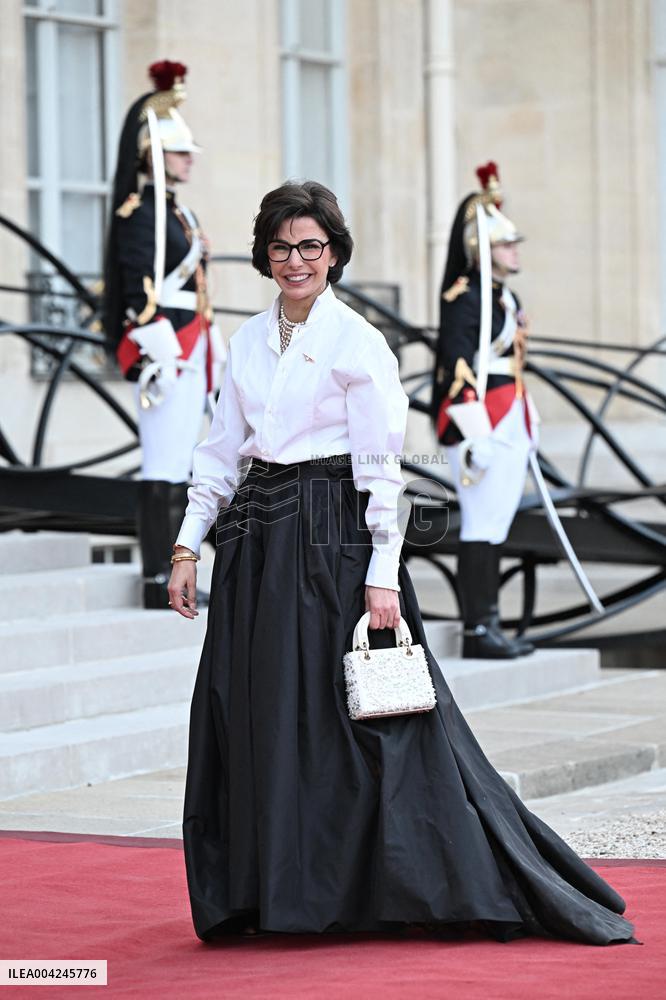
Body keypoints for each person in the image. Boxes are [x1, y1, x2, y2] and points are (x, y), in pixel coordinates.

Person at [168, 180, 633, 945]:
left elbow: (382, 464)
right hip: (255, 540)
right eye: (282, 246)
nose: (295, 260)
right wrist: (188, 543)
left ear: (334, 254)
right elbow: (219, 451)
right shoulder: (245, 339)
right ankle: (265, 890)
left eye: (310, 246)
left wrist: (383, 571)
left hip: (333, 538)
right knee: (256, 712)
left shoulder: (358, 342)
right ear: (265, 253)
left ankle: (353, 891)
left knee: (349, 723)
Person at [103, 60, 224, 608]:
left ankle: (181, 569)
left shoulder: (180, 214)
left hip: (194, 340)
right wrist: (159, 350)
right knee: (163, 464)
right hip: (166, 347)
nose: (187, 161)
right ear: (153, 154)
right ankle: (157, 575)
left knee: (192, 464)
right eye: (178, 153)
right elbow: (135, 288)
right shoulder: (140, 213)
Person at [432, 163, 537, 659]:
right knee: (481, 521)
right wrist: (474, 431)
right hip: (479, 419)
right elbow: (457, 365)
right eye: (505, 244)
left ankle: (489, 621)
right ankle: (477, 629)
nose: (515, 250)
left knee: (496, 522)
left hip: (508, 411)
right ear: (483, 249)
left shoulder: (503, 296)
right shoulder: (465, 298)